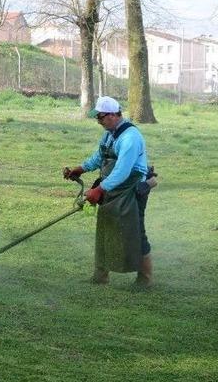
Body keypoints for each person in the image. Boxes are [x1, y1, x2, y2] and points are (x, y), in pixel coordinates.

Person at [64, 96, 157, 287]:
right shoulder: (110, 134)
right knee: (105, 229)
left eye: (100, 117)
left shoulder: (130, 137)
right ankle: (100, 276)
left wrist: (99, 189)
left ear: (113, 115)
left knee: (136, 232)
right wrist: (80, 169)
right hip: (112, 187)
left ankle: (145, 279)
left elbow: (122, 171)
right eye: (97, 117)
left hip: (132, 189)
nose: (98, 121)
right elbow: (100, 156)